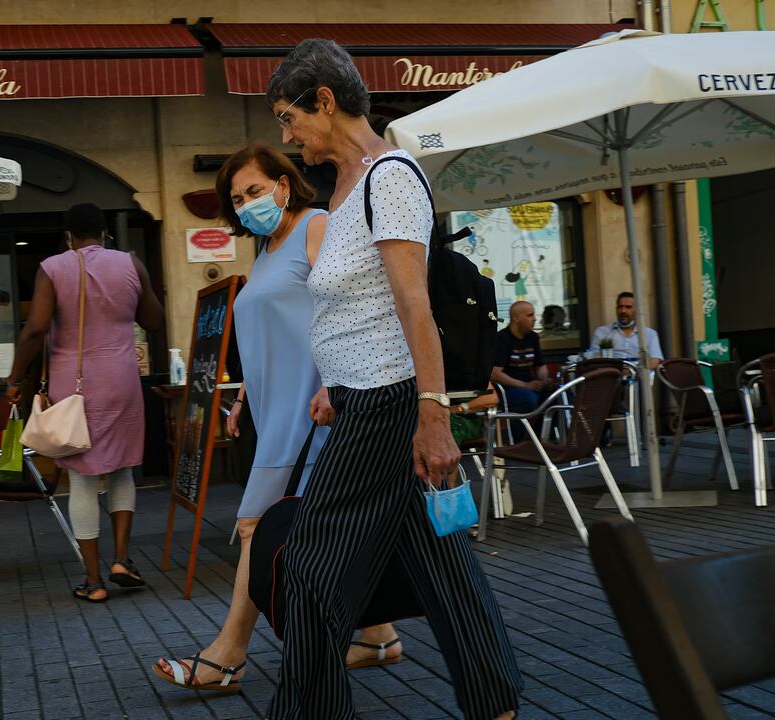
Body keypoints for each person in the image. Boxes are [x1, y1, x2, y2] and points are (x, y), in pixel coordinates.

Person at [264, 38, 521, 720]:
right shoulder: (344, 188)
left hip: (390, 406)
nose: (286, 135)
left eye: (288, 117)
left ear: (325, 99)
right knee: (444, 568)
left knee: (311, 570)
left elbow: (415, 304)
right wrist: (330, 384)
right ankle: (496, 703)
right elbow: (360, 306)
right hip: (359, 398)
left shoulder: (391, 176)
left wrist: (433, 415)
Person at [152, 142, 401, 692]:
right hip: (274, 410)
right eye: (237, 198)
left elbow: (354, 306)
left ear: (284, 185)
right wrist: (243, 395)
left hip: (315, 410)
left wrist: (336, 384)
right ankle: (377, 635)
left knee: (254, 526)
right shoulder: (266, 250)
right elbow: (268, 332)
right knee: (310, 526)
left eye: (255, 190)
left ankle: (226, 657)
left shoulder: (317, 226)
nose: (246, 204)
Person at [4, 203, 163, 603]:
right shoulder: (130, 262)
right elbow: (155, 320)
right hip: (123, 379)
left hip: (75, 387)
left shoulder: (53, 267)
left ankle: (93, 581)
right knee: (123, 468)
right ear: (106, 233)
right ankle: (122, 559)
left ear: (68, 236)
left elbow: (36, 328)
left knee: (83, 476)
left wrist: (14, 377)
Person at [491, 301, 552, 414]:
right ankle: (518, 432)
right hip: (507, 390)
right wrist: (525, 385)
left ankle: (544, 431)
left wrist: (544, 380)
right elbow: (495, 374)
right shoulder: (502, 339)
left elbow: (540, 366)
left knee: (558, 395)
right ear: (516, 318)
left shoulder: (533, 337)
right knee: (529, 399)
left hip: (530, 386)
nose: (534, 319)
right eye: (530, 315)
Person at [589, 291, 664, 369]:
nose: (623, 311)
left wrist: (637, 371)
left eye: (628, 307)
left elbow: (655, 360)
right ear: (616, 309)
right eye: (620, 307)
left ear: (637, 310)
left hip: (639, 376)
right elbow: (594, 359)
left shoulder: (649, 334)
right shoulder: (602, 332)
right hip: (611, 376)